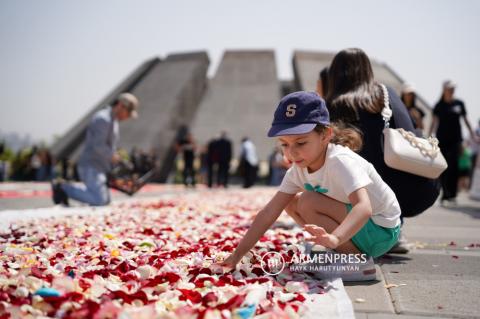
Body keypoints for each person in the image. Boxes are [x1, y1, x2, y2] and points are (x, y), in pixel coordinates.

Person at [220, 91, 401, 281]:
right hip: (362, 229)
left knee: (308, 201)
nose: (292, 152)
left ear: (325, 135)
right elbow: (269, 213)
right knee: (290, 202)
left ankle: (357, 261)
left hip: (382, 230)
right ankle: (339, 249)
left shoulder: (340, 161)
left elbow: (364, 207)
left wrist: (336, 238)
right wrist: (237, 255)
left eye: (301, 142)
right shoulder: (297, 170)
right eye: (284, 144)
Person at [326, 48, 440, 254]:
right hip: (412, 188)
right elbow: (410, 132)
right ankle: (394, 231)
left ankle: (361, 236)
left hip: (361, 192)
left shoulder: (333, 104)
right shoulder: (385, 94)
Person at [52, 93, 139, 206]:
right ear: (121, 105)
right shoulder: (103, 119)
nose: (127, 117)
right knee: (99, 200)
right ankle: (63, 188)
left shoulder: (114, 121)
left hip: (100, 166)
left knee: (106, 200)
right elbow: (98, 145)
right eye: (127, 113)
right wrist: (114, 157)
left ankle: (70, 187)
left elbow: (108, 146)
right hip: (91, 165)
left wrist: (116, 157)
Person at [429, 80, 478, 205]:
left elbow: (466, 121)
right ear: (444, 89)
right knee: (443, 167)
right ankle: (444, 195)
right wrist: (429, 137)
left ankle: (452, 194)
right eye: (449, 89)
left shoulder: (459, 104)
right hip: (442, 141)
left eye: (453, 89)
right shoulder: (439, 105)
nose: (451, 91)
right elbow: (434, 123)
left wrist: (473, 135)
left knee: (454, 167)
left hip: (456, 141)